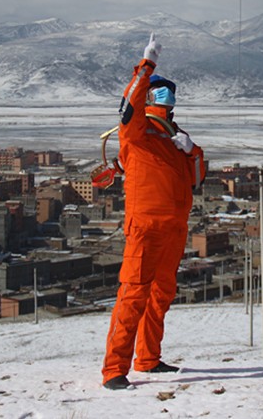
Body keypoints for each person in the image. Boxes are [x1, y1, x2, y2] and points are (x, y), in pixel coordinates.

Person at [101, 33, 206, 390]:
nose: (167, 95)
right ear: (148, 95)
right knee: (133, 294)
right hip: (145, 224)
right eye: (160, 90)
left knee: (161, 295)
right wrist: (146, 66)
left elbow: (196, 180)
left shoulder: (176, 136)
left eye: (169, 91)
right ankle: (114, 369)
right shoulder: (137, 132)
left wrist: (193, 151)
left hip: (175, 227)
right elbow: (128, 106)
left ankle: (148, 358)